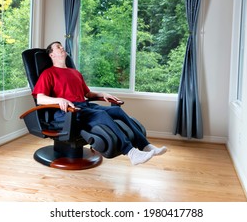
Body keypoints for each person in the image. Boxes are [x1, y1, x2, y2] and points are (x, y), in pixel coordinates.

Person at [32, 41, 167, 165]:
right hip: (67, 112)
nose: (62, 48)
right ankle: (131, 152)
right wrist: (59, 100)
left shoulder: (75, 73)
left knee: (117, 111)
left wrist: (102, 94)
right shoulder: (48, 74)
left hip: (83, 106)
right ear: (51, 55)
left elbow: (88, 94)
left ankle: (145, 145)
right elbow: (40, 99)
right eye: (58, 47)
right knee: (101, 115)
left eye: (62, 46)